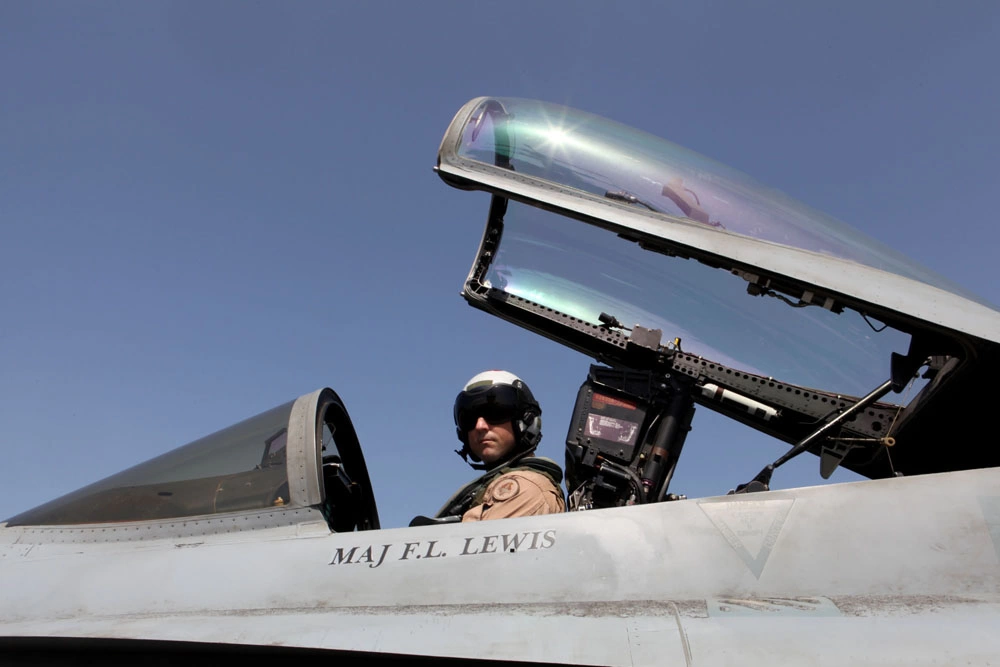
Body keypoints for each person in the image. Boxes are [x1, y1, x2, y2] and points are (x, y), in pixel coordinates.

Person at [431, 370, 565, 523]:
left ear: (527, 421)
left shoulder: (526, 490)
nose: (480, 426)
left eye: (495, 413)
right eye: (469, 418)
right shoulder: (490, 488)